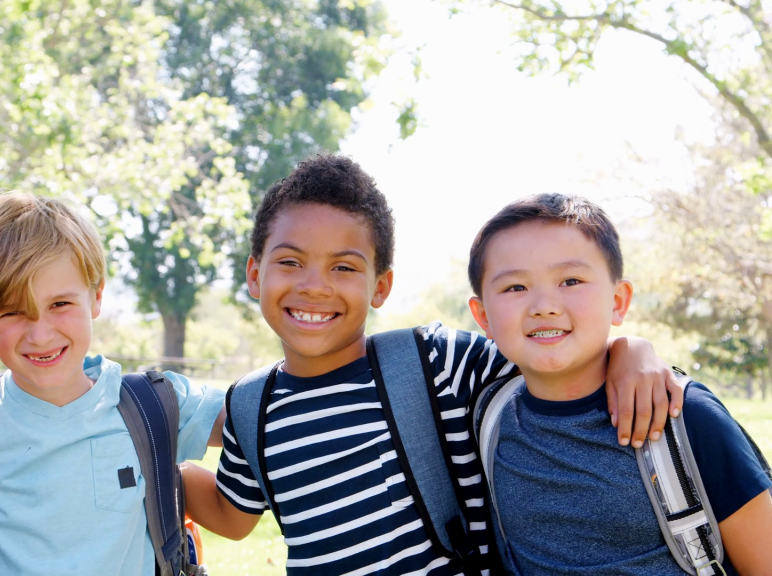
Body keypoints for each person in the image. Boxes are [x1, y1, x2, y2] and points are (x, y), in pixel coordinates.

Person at [182, 155, 681, 575]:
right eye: (290, 262)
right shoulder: (252, 404)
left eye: (344, 267)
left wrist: (629, 349)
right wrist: (141, 451)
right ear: (254, 273)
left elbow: (552, 357)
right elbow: (233, 514)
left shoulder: (434, 362)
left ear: (381, 285)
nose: (315, 285)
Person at [466, 193, 772, 574]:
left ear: (618, 301)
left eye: (570, 280)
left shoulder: (682, 413)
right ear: (482, 316)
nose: (544, 305)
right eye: (515, 288)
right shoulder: (488, 415)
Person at [0, 192, 225, 575]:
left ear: (96, 296)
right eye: (12, 311)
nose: (40, 335)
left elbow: (264, 416)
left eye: (60, 304)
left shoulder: (154, 404)